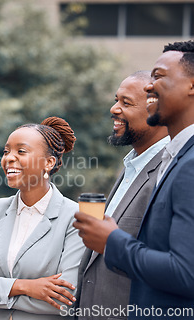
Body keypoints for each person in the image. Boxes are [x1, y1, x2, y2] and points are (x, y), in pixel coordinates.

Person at [74, 40, 194, 319]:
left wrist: (111, 242)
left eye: (159, 76)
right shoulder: (169, 159)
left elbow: (185, 271)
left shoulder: (189, 164)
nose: (150, 87)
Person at [0, 117, 85, 320]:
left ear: (49, 163)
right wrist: (26, 286)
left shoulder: (76, 218)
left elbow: (65, 299)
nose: (9, 158)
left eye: (21, 151)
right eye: (6, 152)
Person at [74, 71, 169, 320]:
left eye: (126, 103)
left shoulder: (168, 172)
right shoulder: (132, 167)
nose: (113, 109)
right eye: (116, 100)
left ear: (158, 112)